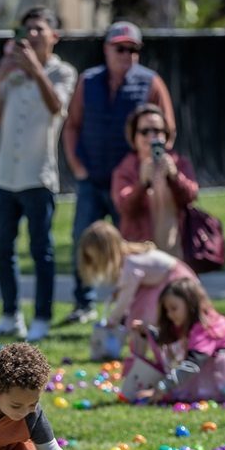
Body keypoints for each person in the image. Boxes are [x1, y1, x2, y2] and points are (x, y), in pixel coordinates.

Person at [0, 7, 77, 343]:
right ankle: (10, 316)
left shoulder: (63, 72)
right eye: (26, 29)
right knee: (4, 248)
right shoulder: (12, 74)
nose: (31, 35)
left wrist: (34, 68)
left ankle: (43, 317)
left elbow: (56, 108)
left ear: (54, 36)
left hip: (38, 176)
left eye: (38, 29)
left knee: (41, 250)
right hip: (5, 175)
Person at [62, 20, 176, 324]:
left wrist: (149, 169)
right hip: (93, 178)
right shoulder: (88, 81)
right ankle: (83, 303)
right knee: (82, 239)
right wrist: (77, 166)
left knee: (130, 244)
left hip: (128, 182)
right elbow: (71, 125)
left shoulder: (150, 83)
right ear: (106, 49)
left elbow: (168, 130)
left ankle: (129, 304)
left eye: (133, 49)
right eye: (121, 48)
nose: (127, 55)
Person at [111, 104, 199, 259]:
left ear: (166, 135)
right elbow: (124, 208)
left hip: (177, 253)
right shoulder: (125, 169)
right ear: (134, 136)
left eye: (157, 131)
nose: (152, 137)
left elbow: (191, 196)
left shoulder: (178, 163)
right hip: (141, 255)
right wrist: (142, 184)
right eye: (145, 131)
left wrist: (174, 177)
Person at [77, 220, 197, 329]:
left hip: (175, 281)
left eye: (97, 258)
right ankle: (139, 351)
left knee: (144, 316)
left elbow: (126, 297)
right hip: (162, 280)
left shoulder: (130, 264)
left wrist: (113, 320)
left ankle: (141, 351)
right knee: (139, 313)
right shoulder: (129, 259)